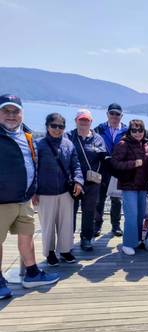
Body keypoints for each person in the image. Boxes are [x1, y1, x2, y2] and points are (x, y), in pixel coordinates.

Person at [0, 94, 60, 298]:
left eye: (15, 111)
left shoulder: (27, 135)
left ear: (21, 113)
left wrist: (33, 188)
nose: (11, 115)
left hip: (24, 199)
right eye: (6, 111)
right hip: (2, 201)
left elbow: (31, 164)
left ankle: (32, 274)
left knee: (27, 236)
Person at [34, 113, 84, 265]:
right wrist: (33, 191)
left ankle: (65, 250)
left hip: (65, 192)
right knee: (48, 224)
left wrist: (78, 181)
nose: (57, 129)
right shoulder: (38, 144)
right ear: (47, 126)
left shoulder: (69, 144)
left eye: (60, 126)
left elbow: (76, 165)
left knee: (66, 223)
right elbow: (33, 169)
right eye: (53, 126)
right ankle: (49, 252)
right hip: (45, 192)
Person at [68, 109, 107, 251]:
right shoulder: (69, 136)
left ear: (91, 122)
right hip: (73, 182)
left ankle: (86, 238)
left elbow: (104, 158)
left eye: (87, 120)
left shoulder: (98, 138)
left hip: (92, 182)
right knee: (70, 211)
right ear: (76, 121)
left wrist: (99, 175)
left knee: (89, 211)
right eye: (81, 120)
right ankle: (68, 238)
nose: (84, 123)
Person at [111, 120, 148, 255]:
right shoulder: (123, 144)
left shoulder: (145, 144)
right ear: (129, 131)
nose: (138, 133)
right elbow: (114, 163)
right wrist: (133, 163)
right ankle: (128, 243)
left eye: (140, 130)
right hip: (128, 185)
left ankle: (137, 240)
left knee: (140, 215)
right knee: (131, 215)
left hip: (142, 185)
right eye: (134, 130)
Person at [94, 103, 127, 237]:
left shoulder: (127, 130)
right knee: (99, 198)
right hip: (102, 169)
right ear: (107, 114)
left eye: (117, 114)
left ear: (121, 116)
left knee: (116, 199)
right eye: (112, 113)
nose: (114, 116)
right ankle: (97, 225)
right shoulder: (99, 129)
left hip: (118, 170)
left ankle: (116, 225)